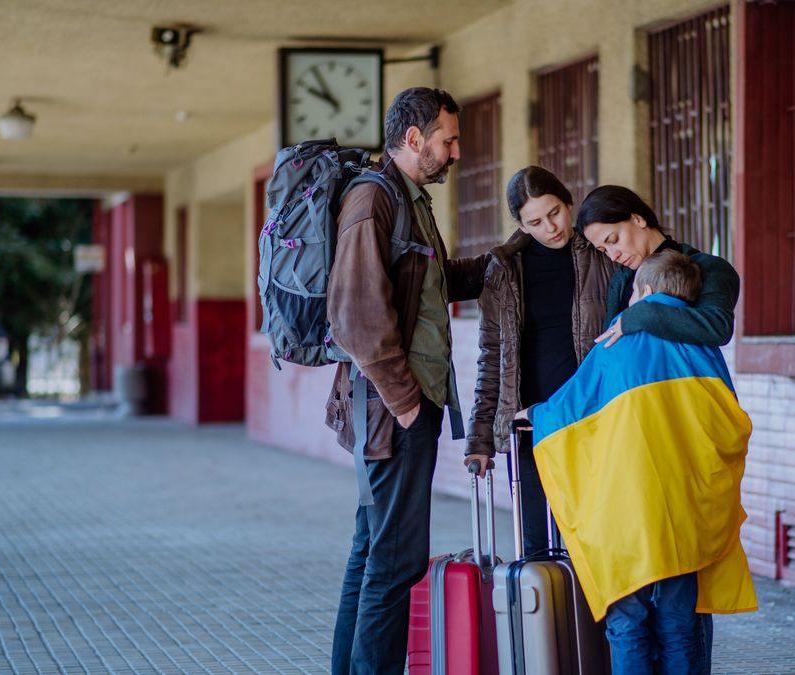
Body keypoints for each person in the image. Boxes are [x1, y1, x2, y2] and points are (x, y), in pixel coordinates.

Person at [516, 250, 758, 675]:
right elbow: (729, 422)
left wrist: (535, 414)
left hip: (625, 515)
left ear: (643, 292)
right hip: (683, 516)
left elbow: (572, 407)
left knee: (627, 625)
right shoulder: (701, 348)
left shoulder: (619, 340)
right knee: (680, 625)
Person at [325, 86, 489, 675]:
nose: (456, 152)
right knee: (395, 563)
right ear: (414, 138)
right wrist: (409, 406)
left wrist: (504, 261)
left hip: (394, 409)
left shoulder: (407, 196)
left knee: (372, 553)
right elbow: (356, 317)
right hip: (393, 412)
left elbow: (434, 283)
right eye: (448, 140)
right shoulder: (375, 200)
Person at [462, 165, 613, 556]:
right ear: (521, 224)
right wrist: (479, 437)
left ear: (568, 201)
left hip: (592, 421)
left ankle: (592, 621)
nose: (551, 227)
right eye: (536, 221)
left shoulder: (602, 256)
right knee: (536, 549)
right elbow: (492, 356)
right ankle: (546, 620)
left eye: (555, 213)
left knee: (597, 546)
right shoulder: (504, 271)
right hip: (529, 427)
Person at [575, 184, 740, 351]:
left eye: (613, 240)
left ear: (638, 219)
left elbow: (718, 327)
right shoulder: (621, 280)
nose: (612, 255)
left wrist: (638, 315)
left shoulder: (708, 267)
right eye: (603, 250)